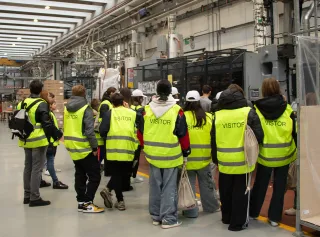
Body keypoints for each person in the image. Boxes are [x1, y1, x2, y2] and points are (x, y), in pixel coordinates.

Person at [137, 80, 191, 229]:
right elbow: (183, 134)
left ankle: (155, 216)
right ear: (170, 92)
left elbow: (140, 132)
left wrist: (145, 146)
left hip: (152, 154)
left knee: (155, 185)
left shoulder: (146, 109)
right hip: (171, 155)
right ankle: (168, 218)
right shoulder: (176, 110)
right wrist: (186, 150)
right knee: (169, 187)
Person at [212, 85, 264, 231]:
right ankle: (237, 223)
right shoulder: (248, 112)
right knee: (241, 191)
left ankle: (226, 217)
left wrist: (216, 159)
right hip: (243, 159)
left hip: (224, 159)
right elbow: (259, 135)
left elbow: (213, 139)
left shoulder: (218, 114)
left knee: (225, 190)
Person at [249, 78, 297, 227]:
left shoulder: (256, 110)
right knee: (279, 187)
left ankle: (253, 213)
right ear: (278, 89)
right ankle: (274, 218)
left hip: (265, 155)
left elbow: (254, 133)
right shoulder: (288, 109)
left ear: (264, 90)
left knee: (260, 185)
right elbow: (295, 131)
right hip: (284, 154)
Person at [17, 80, 62, 207]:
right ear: (41, 90)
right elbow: (46, 124)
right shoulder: (42, 104)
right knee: (37, 169)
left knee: (28, 167)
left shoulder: (22, 103)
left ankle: (27, 195)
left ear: (30, 89)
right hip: (38, 140)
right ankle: (35, 197)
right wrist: (57, 135)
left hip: (25, 139)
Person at [64, 85, 104, 213]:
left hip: (71, 145)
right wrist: (94, 146)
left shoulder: (67, 108)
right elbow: (89, 131)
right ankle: (87, 203)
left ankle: (81, 201)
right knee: (95, 175)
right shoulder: (85, 109)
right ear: (84, 94)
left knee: (80, 174)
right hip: (84, 147)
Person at [183, 90, 220, 218]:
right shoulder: (208, 117)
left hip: (187, 160)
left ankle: (190, 211)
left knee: (189, 186)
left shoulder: (182, 117)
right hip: (204, 159)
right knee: (207, 185)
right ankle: (211, 207)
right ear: (199, 102)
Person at [99, 93, 138, 211]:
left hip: (113, 149)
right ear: (123, 102)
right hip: (128, 148)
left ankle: (114, 195)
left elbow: (103, 131)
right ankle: (119, 200)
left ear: (112, 103)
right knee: (122, 174)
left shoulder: (109, 113)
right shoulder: (132, 113)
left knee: (116, 174)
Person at [40, 91, 67, 189]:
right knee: (50, 161)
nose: (51, 99)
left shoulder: (48, 113)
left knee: (42, 162)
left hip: (49, 141)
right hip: (50, 142)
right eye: (49, 97)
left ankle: (39, 180)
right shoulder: (47, 114)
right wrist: (59, 135)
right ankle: (55, 182)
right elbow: (51, 127)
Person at [130, 89, 146, 184]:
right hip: (138, 137)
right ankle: (133, 176)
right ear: (139, 98)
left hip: (130, 136)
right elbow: (143, 125)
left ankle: (130, 175)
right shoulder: (142, 109)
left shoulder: (129, 108)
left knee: (131, 157)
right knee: (136, 158)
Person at [99, 87, 116, 176]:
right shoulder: (106, 104)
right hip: (106, 130)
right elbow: (104, 118)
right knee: (105, 152)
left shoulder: (108, 103)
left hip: (108, 130)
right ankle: (107, 171)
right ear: (111, 93)